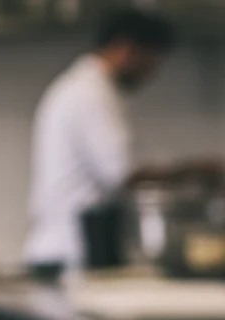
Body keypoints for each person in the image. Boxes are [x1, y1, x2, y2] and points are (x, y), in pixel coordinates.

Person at [26, 7, 222, 276]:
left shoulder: (84, 87)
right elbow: (125, 175)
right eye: (152, 61)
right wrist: (196, 172)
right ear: (126, 48)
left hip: (68, 251)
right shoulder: (91, 94)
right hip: (73, 254)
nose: (152, 73)